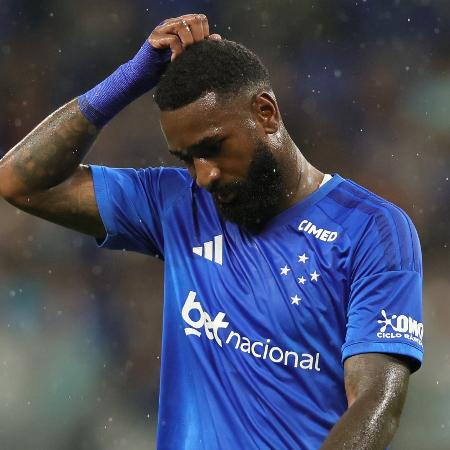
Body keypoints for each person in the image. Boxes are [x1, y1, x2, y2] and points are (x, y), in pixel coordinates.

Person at [0, 13, 423, 450]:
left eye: (213, 148)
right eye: (187, 158)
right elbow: (19, 181)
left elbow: (376, 402)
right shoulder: (177, 204)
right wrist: (127, 81)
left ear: (265, 113)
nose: (204, 175)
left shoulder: (372, 228)